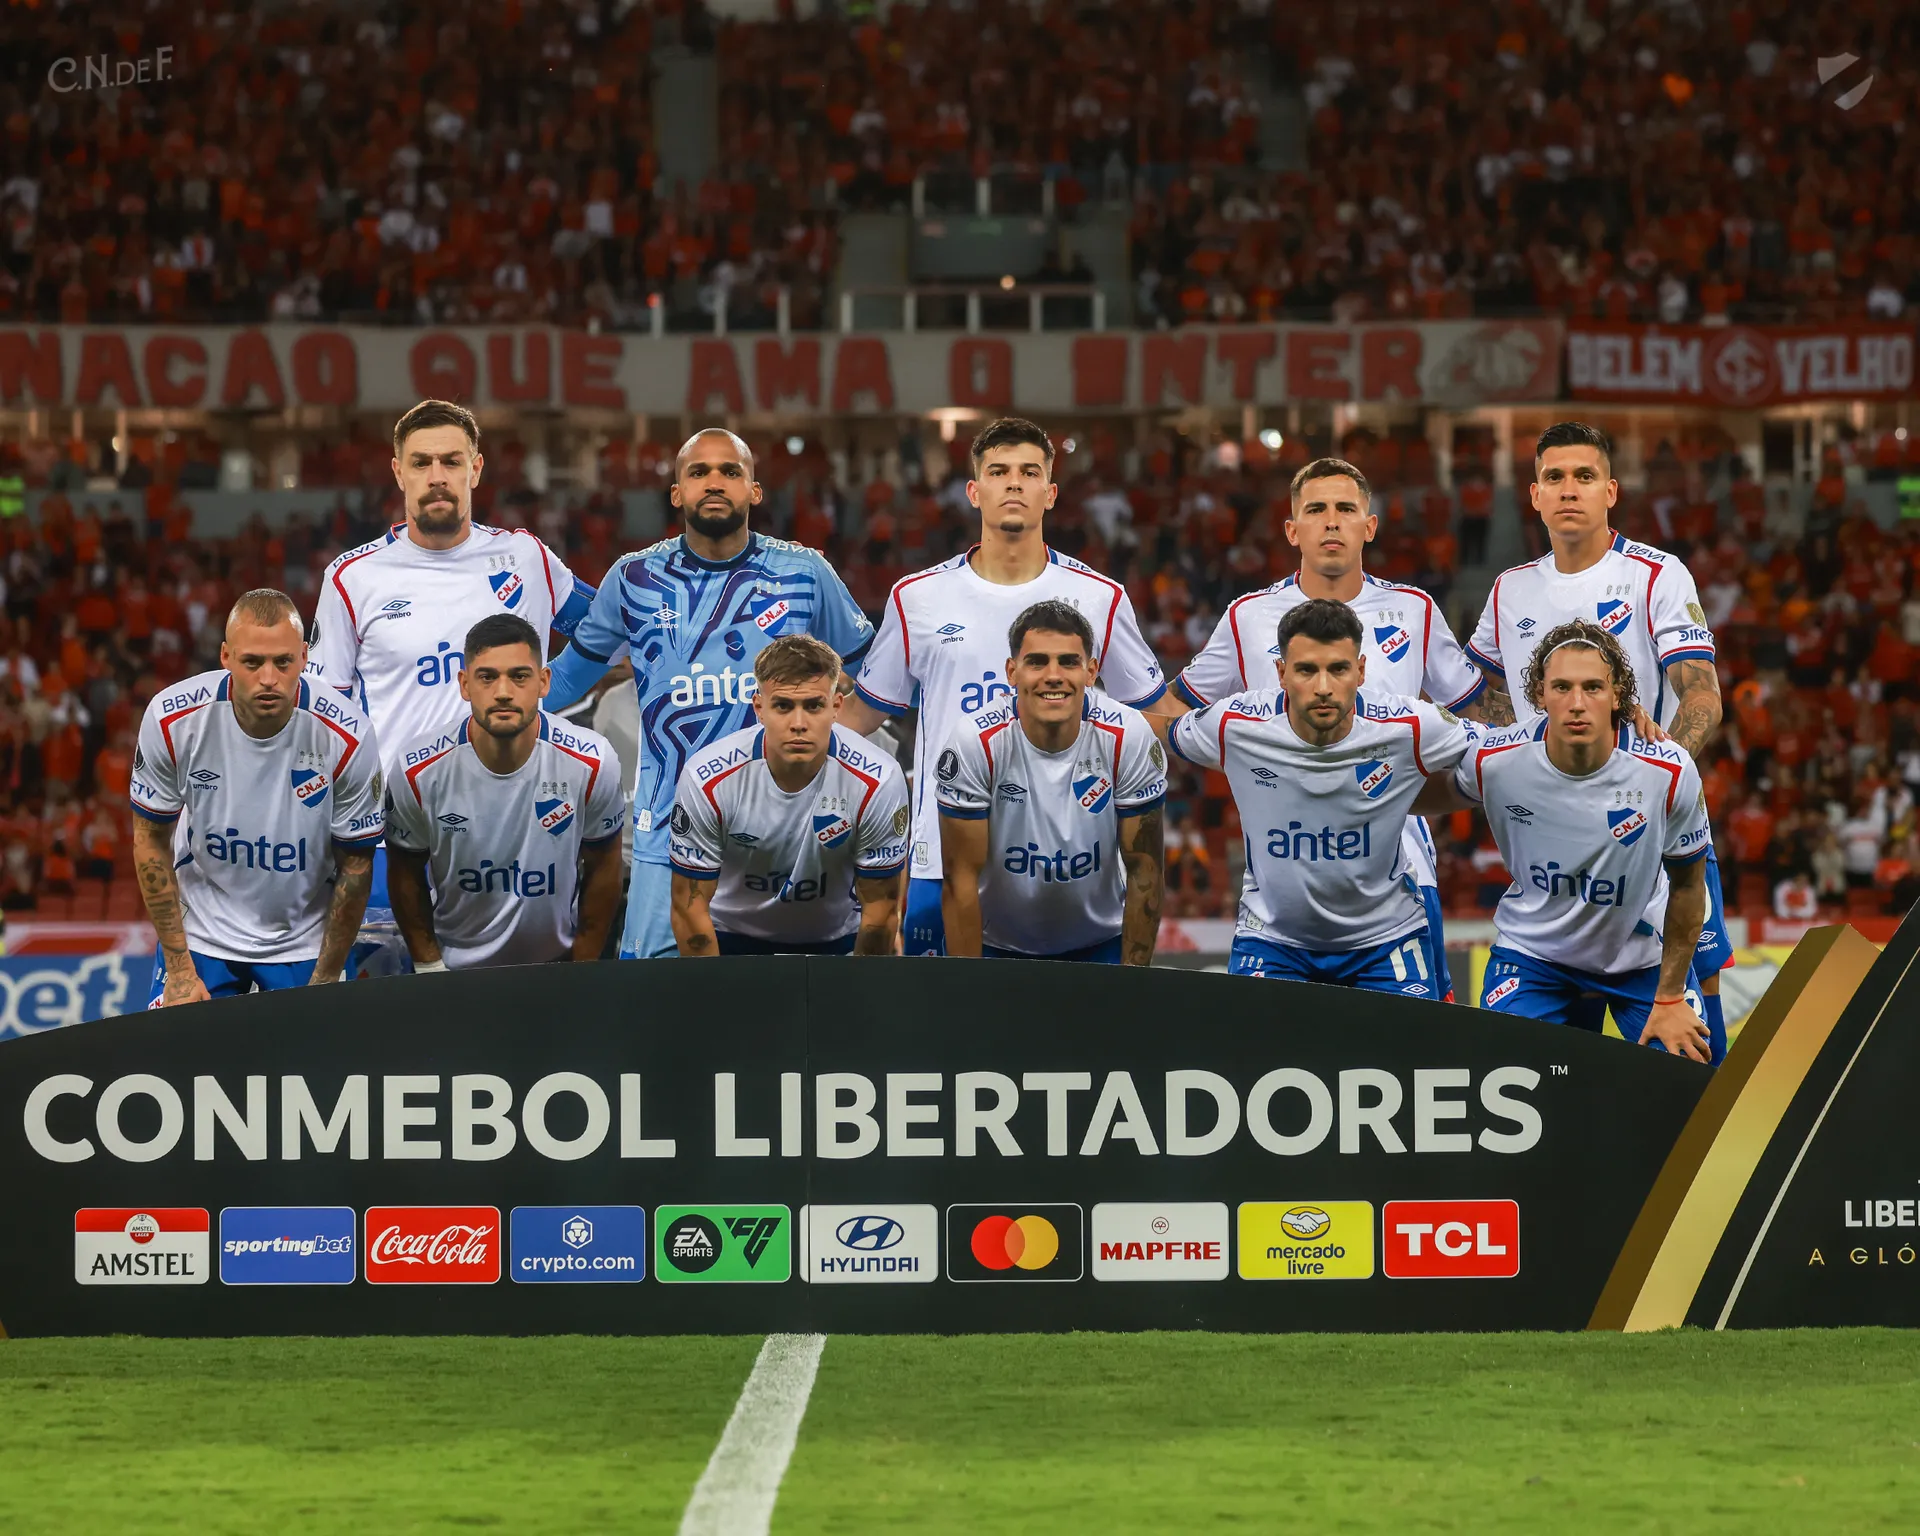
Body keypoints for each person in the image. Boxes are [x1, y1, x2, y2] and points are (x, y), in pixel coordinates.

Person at [1158, 456, 1498, 1002]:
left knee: (1420, 1042)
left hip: (1402, 873)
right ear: (1292, 530)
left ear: (1371, 525)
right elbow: (1176, 708)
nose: (1332, 521)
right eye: (1316, 509)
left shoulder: (1414, 609)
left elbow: (1478, 715)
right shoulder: (1249, 615)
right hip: (1287, 872)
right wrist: (1250, 765)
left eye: (1346, 508)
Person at [541, 429, 873, 960]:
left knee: (786, 1000)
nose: (714, 482)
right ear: (676, 493)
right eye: (698, 472)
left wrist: (838, 735)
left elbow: (877, 677)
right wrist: (472, 708)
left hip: (788, 834)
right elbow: (561, 682)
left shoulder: (804, 573)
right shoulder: (632, 578)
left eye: (730, 471)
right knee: (661, 1001)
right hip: (667, 831)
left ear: (754, 490)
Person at [839, 418, 1167, 956]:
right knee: (953, 1013)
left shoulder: (1100, 596)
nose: (1014, 482)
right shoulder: (916, 597)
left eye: (1029, 472)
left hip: (1072, 861)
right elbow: (860, 719)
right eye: (998, 471)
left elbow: (1152, 718)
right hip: (941, 857)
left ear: (1050, 493)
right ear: (974, 491)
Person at [1465, 421, 1731, 1044]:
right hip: (1552, 835)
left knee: (1699, 1042)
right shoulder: (1510, 589)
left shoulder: (1655, 575)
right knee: (1551, 1065)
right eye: (1553, 477)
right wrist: (1510, 762)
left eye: (1584, 476)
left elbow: (1702, 695)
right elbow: (1482, 700)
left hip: (1649, 832)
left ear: (1610, 491)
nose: (1569, 489)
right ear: (1534, 495)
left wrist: (1658, 779)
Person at [1164, 597, 1469, 994]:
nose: (1323, 688)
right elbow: (1154, 732)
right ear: (1281, 672)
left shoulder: (1409, 725)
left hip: (1386, 941)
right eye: (1306, 670)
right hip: (1273, 942)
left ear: (1361, 671)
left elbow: (1497, 759)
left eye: (1338, 669)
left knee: (1411, 1038)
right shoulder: (1233, 724)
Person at [1447, 621, 1716, 1063]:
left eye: (1593, 687)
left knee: (1693, 1081)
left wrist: (1669, 997)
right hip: (1535, 956)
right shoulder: (1494, 760)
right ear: (1539, 694)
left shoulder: (1667, 771)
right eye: (1562, 687)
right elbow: (1416, 793)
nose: (1577, 703)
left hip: (1640, 959)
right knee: (1504, 1073)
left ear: (1618, 696)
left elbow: (1688, 886)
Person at [310, 399, 594, 781]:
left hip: (515, 803)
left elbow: (607, 629)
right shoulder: (351, 578)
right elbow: (324, 713)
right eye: (421, 463)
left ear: (475, 470)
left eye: (451, 462)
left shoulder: (526, 558)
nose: (436, 477)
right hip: (399, 810)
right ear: (399, 473)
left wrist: (549, 689)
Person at [129, 589, 384, 1004]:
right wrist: (179, 970)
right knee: (171, 1046)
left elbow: (356, 864)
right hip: (202, 934)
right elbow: (149, 839)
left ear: (304, 657)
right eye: (252, 662)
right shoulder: (172, 719)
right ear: (226, 657)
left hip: (303, 940)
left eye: (283, 662)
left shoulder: (349, 737)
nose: (268, 678)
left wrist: (325, 979)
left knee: (322, 1048)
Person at [384, 614, 625, 970]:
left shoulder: (593, 762)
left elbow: (604, 865)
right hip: (453, 971)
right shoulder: (416, 770)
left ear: (543, 682)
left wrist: (582, 968)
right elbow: (405, 872)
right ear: (464, 684)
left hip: (556, 968)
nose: (503, 692)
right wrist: (430, 967)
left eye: (519, 676)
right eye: (487, 677)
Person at [938, 599, 1167, 965]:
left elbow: (1146, 869)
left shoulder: (1128, 735)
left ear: (1091, 672)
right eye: (1037, 661)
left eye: (1069, 662)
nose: (1053, 675)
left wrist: (1133, 982)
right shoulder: (975, 742)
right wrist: (970, 987)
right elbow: (959, 878)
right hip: (999, 947)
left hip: (1101, 944)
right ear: (1012, 672)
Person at [668, 634, 907, 955]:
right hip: (730, 937)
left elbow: (881, 909)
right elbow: (689, 907)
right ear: (759, 708)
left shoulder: (879, 779)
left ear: (836, 707)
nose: (798, 723)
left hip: (836, 942)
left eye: (813, 706)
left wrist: (857, 986)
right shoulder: (706, 779)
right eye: (783, 706)